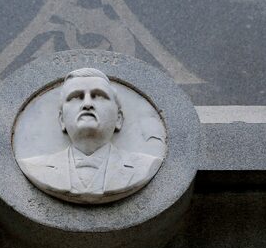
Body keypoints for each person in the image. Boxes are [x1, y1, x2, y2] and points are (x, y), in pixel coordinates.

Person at [17, 68, 162, 204]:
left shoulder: (143, 166)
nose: (87, 104)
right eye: (76, 97)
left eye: (99, 96)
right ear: (61, 120)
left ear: (119, 119)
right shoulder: (36, 168)